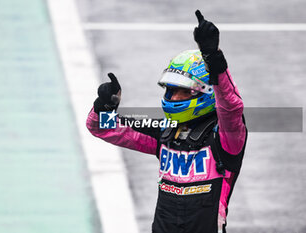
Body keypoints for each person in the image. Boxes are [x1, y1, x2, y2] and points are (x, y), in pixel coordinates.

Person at [86, 10, 247, 233]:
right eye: (169, 90)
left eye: (181, 91)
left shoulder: (226, 136)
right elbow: (102, 128)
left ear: (205, 92)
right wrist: (103, 107)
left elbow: (231, 106)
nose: (171, 98)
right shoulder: (165, 130)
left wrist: (214, 60)